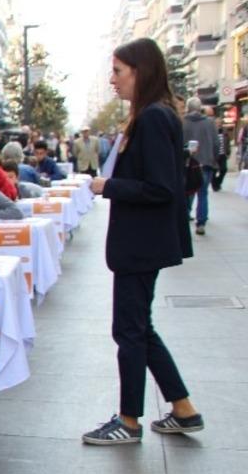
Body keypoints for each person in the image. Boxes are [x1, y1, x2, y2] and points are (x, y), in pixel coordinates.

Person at [84, 37, 202, 445]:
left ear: (141, 71)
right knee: (138, 328)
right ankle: (183, 408)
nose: (112, 80)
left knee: (130, 331)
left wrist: (109, 185)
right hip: (143, 243)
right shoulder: (156, 115)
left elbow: (160, 187)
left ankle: (129, 420)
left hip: (140, 244)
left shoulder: (152, 118)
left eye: (118, 71)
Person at [182, 97, 217, 235]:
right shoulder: (209, 123)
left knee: (188, 192)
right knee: (203, 193)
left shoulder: (183, 122)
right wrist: (214, 159)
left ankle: (185, 218)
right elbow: (215, 143)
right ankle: (201, 223)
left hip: (189, 163)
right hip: (206, 162)